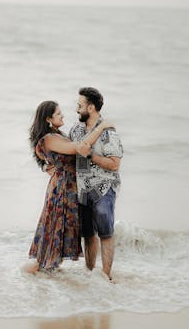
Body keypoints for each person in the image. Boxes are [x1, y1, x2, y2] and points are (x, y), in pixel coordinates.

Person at [26, 100, 113, 274]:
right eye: (58, 114)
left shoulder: (57, 135)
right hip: (63, 189)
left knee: (67, 229)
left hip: (70, 186)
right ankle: (38, 274)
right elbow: (79, 148)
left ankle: (51, 274)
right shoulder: (48, 139)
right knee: (55, 228)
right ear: (48, 119)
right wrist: (101, 127)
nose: (63, 115)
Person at [69, 87, 123, 282]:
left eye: (79, 105)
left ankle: (106, 277)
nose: (76, 109)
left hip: (104, 188)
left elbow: (115, 165)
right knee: (87, 234)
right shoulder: (75, 130)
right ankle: (90, 275)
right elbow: (70, 151)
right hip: (82, 189)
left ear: (91, 108)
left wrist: (91, 154)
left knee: (105, 233)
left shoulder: (108, 133)